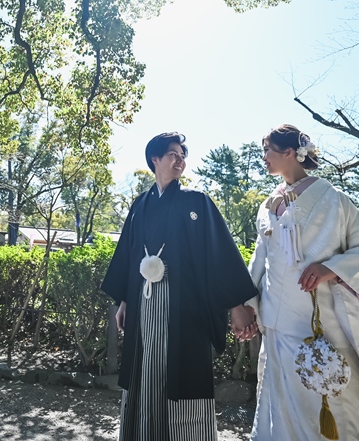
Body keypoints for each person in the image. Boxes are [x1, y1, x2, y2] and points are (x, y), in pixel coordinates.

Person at [244, 124, 359, 441]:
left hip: (320, 323)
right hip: (277, 325)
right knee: (277, 405)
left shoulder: (334, 199)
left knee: (335, 397)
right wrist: (246, 304)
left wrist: (332, 268)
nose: (263, 157)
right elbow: (260, 261)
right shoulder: (268, 205)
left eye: (268, 149)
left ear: (290, 153)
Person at [102, 132, 259, 441]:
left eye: (182, 155)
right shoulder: (139, 206)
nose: (180, 159)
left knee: (182, 373)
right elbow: (130, 254)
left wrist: (237, 304)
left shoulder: (196, 202)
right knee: (145, 367)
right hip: (144, 300)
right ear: (155, 159)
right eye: (173, 154)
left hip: (184, 304)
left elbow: (219, 254)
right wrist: (124, 302)